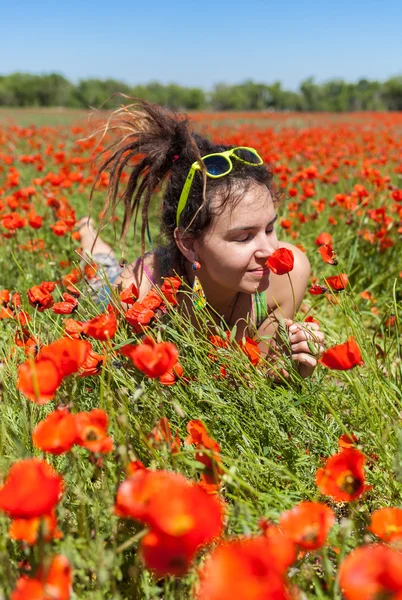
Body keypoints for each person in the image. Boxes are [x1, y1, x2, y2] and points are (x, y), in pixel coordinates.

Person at [77, 100, 324, 379]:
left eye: (269, 229)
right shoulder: (140, 297)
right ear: (189, 244)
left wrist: (292, 369)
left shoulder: (289, 275)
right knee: (100, 269)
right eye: (243, 237)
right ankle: (88, 232)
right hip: (108, 294)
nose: (270, 250)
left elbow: (258, 376)